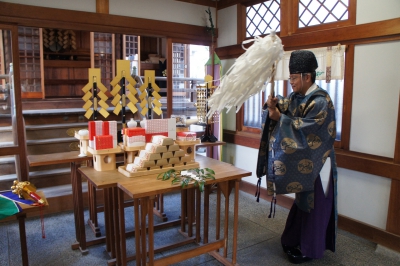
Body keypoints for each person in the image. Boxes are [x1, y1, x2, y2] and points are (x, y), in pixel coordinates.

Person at [256, 50, 338, 264]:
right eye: (290, 77)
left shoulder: (321, 101)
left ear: (306, 77)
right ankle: (293, 239)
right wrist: (272, 106)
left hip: (319, 163)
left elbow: (308, 132)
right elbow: (286, 106)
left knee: (314, 206)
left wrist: (280, 118)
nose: (290, 82)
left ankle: (310, 248)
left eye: (293, 78)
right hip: (307, 164)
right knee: (302, 203)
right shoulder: (298, 97)